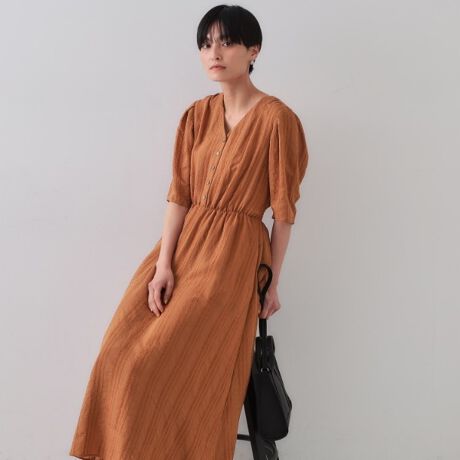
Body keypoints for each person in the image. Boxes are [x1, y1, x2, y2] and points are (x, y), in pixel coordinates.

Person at [69, 4, 309, 459]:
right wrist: (163, 265)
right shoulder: (196, 116)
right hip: (180, 250)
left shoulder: (278, 120)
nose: (213, 53)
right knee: (119, 355)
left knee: (163, 370)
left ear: (254, 50)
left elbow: (284, 212)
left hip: (233, 259)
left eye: (227, 42)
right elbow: (179, 194)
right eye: (206, 44)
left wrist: (273, 282)